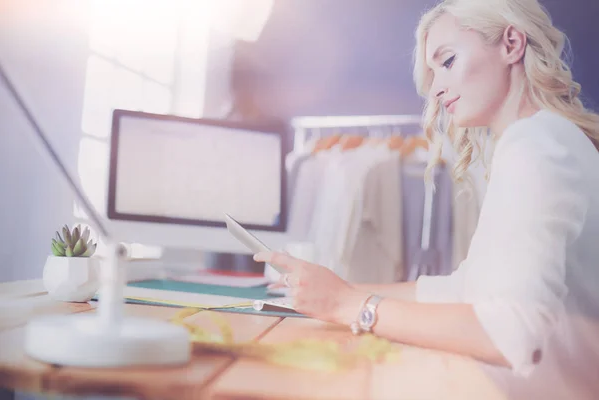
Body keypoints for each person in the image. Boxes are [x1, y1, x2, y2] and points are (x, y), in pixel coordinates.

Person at [254, 0, 599, 398]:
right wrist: (336, 289)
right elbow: (468, 287)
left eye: (447, 61)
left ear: (511, 44)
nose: (435, 89)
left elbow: (509, 333)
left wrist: (348, 305)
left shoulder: (535, 145)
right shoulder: (545, 139)